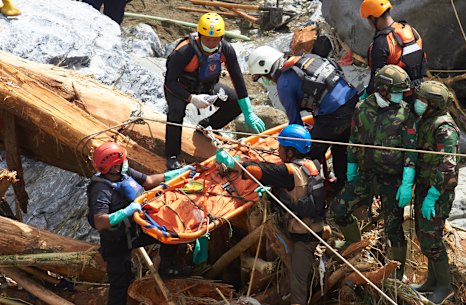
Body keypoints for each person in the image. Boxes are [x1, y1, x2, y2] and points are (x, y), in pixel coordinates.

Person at [215, 124, 326, 305]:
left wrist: (229, 162)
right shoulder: (313, 165)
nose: (279, 149)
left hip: (304, 237)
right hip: (311, 226)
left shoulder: (288, 173)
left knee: (297, 283)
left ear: (290, 153)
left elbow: (256, 171)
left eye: (281, 147)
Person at [331, 64, 417, 280]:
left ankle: (397, 272)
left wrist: (407, 183)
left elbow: (411, 152)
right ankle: (354, 243)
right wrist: (351, 168)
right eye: (397, 91)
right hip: (366, 174)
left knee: (394, 228)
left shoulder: (405, 113)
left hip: (393, 180)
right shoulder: (362, 108)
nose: (400, 96)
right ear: (384, 90)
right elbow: (354, 140)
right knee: (339, 209)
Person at [87, 142, 194, 305]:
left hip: (137, 229)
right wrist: (126, 211)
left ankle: (166, 267)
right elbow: (99, 221)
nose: (126, 162)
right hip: (117, 242)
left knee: (172, 231)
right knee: (120, 283)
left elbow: (149, 180)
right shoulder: (101, 190)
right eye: (123, 160)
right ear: (114, 167)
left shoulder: (123, 173)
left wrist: (176, 174)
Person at [247, 46, 358, 192]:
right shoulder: (305, 58)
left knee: (309, 152)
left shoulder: (284, 83)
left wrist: (290, 152)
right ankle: (342, 184)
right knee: (340, 146)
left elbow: (296, 124)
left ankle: (311, 192)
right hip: (352, 101)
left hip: (333, 114)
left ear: (267, 69)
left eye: (262, 77)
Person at [164, 13, 265, 170]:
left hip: (206, 88)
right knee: (176, 112)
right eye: (207, 39)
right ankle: (171, 155)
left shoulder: (226, 49)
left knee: (235, 102)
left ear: (221, 37)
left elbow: (238, 80)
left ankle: (206, 126)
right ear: (200, 35)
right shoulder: (184, 51)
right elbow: (169, 82)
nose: (211, 43)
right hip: (180, 88)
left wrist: (248, 112)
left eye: (215, 39)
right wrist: (191, 99)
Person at [410, 81, 459, 304]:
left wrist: (433, 195)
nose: (417, 103)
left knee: (433, 239)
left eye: (422, 100)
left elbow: (448, 166)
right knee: (423, 235)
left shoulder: (444, 129)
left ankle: (445, 286)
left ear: (433, 105)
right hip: (423, 185)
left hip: (438, 192)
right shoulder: (426, 120)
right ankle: (431, 281)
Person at [360, 0, 427, 99]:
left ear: (373, 18)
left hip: (396, 97)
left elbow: (376, 80)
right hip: (418, 92)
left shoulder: (381, 42)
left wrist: (365, 96)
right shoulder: (409, 29)